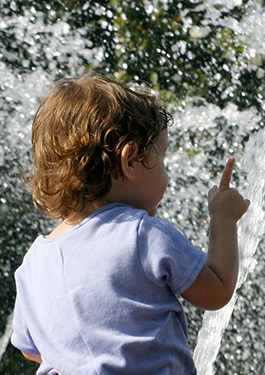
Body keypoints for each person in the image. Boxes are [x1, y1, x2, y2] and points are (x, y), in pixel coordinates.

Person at [11, 74, 250, 374]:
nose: (167, 174)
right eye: (161, 157)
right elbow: (216, 291)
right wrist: (223, 219)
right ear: (130, 162)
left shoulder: (33, 265)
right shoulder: (140, 234)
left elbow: (30, 349)